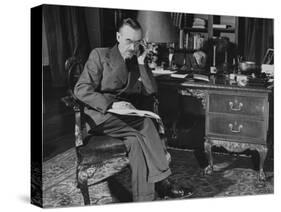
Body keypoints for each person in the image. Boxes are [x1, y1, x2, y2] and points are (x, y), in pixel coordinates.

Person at [74, 18, 192, 202]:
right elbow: (81, 89)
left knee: (136, 142)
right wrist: (111, 105)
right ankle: (164, 181)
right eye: (129, 41)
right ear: (118, 36)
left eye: (137, 42)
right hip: (100, 116)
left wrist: (143, 63)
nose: (132, 46)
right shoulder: (99, 55)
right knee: (145, 123)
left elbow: (151, 90)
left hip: (125, 118)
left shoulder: (136, 61)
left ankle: (143, 199)